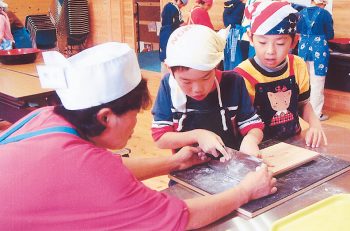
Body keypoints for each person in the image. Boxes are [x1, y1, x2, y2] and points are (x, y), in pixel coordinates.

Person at [0, 42, 276, 229]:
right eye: (134, 114)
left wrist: (175, 163)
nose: (136, 125)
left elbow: (105, 168)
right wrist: (245, 191)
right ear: (106, 116)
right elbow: (181, 217)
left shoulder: (46, 118)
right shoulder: (87, 171)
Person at [152, 24, 265, 158]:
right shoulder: (168, 86)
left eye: (205, 78)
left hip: (230, 165)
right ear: (169, 69)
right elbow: (160, 138)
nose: (197, 89)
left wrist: (251, 139)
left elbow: (252, 124)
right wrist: (198, 135)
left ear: (215, 66)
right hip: (187, 169)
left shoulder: (234, 82)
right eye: (186, 81)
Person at [235, 1, 327, 148]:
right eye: (262, 42)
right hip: (257, 148)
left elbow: (303, 104)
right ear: (251, 38)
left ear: (294, 42)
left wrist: (314, 124)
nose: (270, 51)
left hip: (292, 142)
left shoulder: (298, 65)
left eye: (280, 43)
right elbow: (239, 122)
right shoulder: (242, 75)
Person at [297, 0, 334, 121]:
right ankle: (316, 114)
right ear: (322, 2)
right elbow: (330, 35)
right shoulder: (325, 14)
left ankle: (301, 113)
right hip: (319, 51)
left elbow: (297, 31)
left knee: (303, 82)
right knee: (317, 82)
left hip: (303, 50)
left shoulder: (300, 13)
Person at [159, 0, 188, 73]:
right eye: (182, 5)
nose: (181, 7)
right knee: (170, 54)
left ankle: (164, 76)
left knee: (163, 55)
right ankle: (169, 75)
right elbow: (180, 24)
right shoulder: (176, 9)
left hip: (163, 31)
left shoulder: (167, 5)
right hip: (170, 33)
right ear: (180, 2)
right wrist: (188, 22)